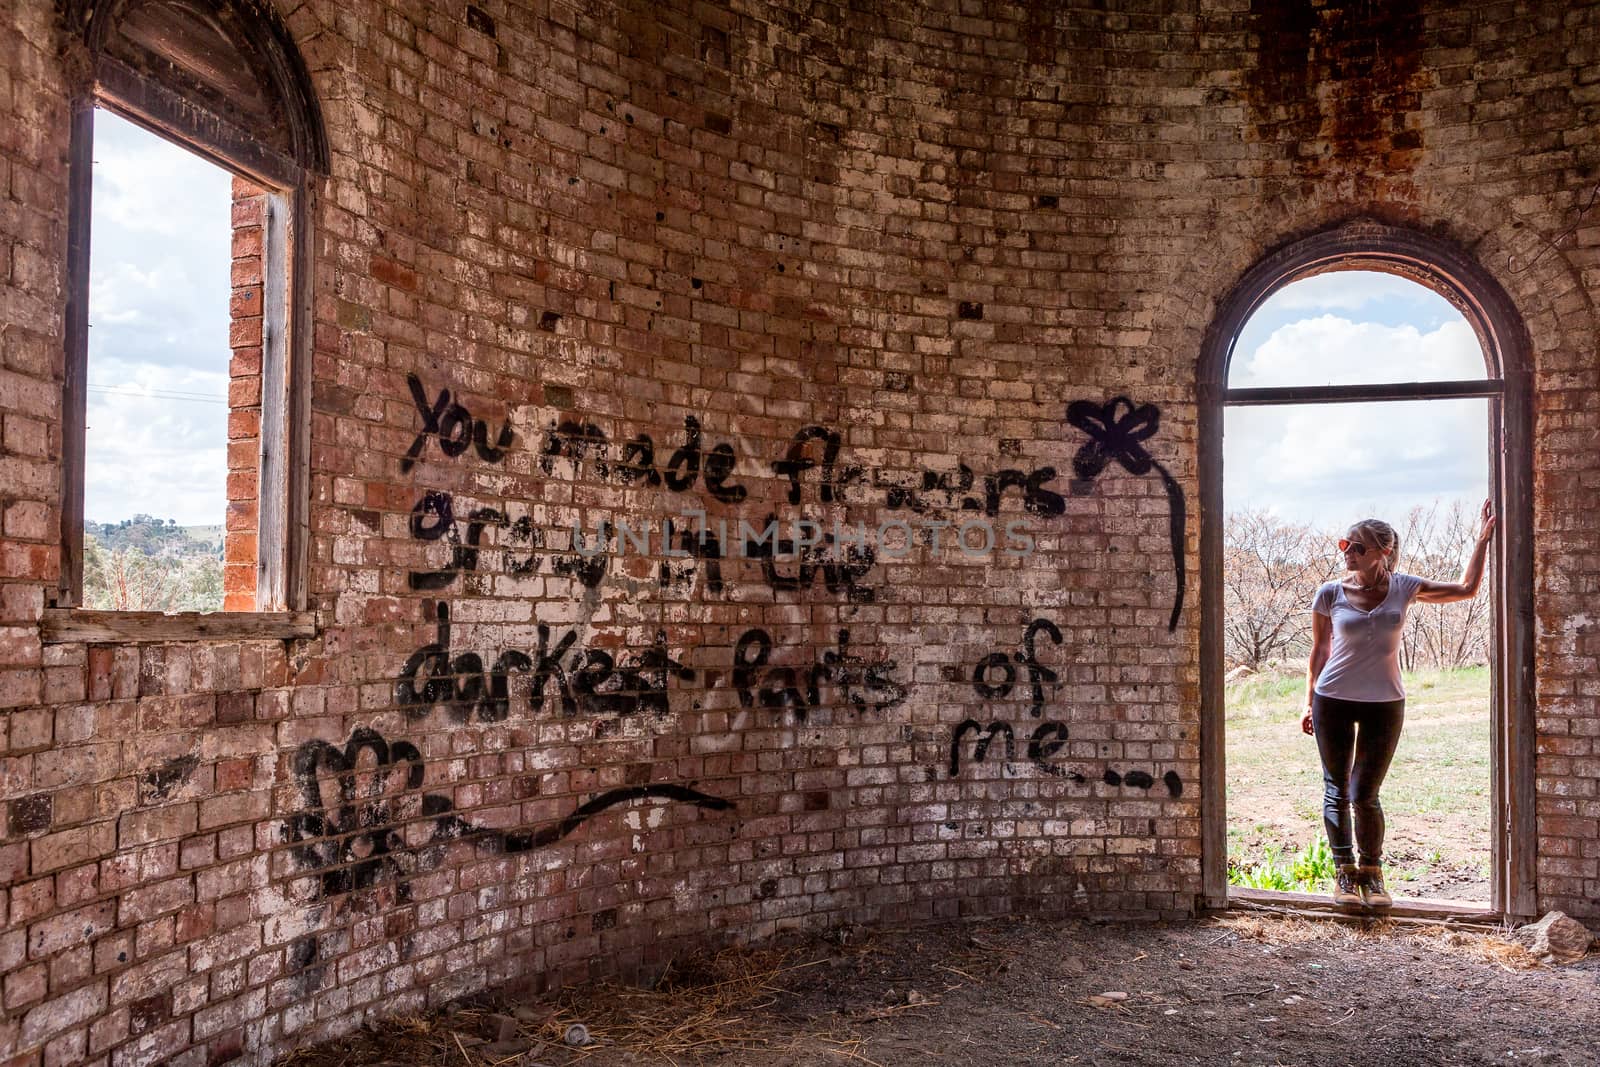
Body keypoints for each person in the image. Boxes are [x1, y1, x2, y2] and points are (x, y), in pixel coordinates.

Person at [1302, 501, 1497, 910]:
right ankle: (1344, 876)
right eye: (1345, 544)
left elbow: (1467, 590)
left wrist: (1481, 541)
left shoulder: (1406, 587)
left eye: (1357, 546)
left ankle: (1372, 877)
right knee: (1336, 789)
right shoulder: (1330, 592)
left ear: (1383, 552)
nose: (1347, 552)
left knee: (1365, 793)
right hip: (1331, 699)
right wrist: (1308, 703)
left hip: (1385, 702)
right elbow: (1319, 652)